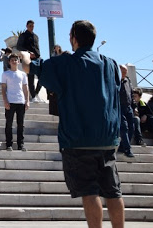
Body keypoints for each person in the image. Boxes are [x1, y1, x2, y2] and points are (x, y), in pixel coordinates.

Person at [39, 20, 124, 228]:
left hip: (79, 140)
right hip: (107, 139)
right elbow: (120, 76)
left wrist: (24, 57)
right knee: (113, 191)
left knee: (89, 191)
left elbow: (36, 68)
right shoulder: (110, 63)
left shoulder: (65, 63)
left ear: (73, 38)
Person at [1, 54, 29, 151]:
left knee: (20, 124)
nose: (14, 61)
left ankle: (20, 144)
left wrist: (27, 101)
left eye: (15, 60)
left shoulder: (23, 74)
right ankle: (9, 144)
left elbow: (25, 88)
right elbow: (3, 88)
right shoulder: (6, 74)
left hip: (20, 101)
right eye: (12, 60)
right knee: (9, 124)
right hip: (10, 101)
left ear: (18, 61)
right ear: (9, 62)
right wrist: (5, 100)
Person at [17, 20, 42, 102]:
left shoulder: (36, 36)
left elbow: (37, 47)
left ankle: (36, 93)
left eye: (33, 26)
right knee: (30, 78)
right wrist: (28, 52)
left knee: (42, 77)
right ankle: (33, 96)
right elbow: (19, 47)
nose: (32, 27)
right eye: (30, 25)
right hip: (28, 59)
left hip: (37, 59)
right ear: (27, 26)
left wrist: (38, 55)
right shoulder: (23, 36)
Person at [117, 65, 135, 158]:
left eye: (125, 72)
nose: (124, 74)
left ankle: (122, 146)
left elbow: (131, 93)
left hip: (128, 107)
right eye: (122, 72)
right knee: (124, 127)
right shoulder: (114, 80)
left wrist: (134, 106)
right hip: (119, 107)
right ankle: (128, 149)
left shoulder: (128, 80)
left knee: (132, 127)